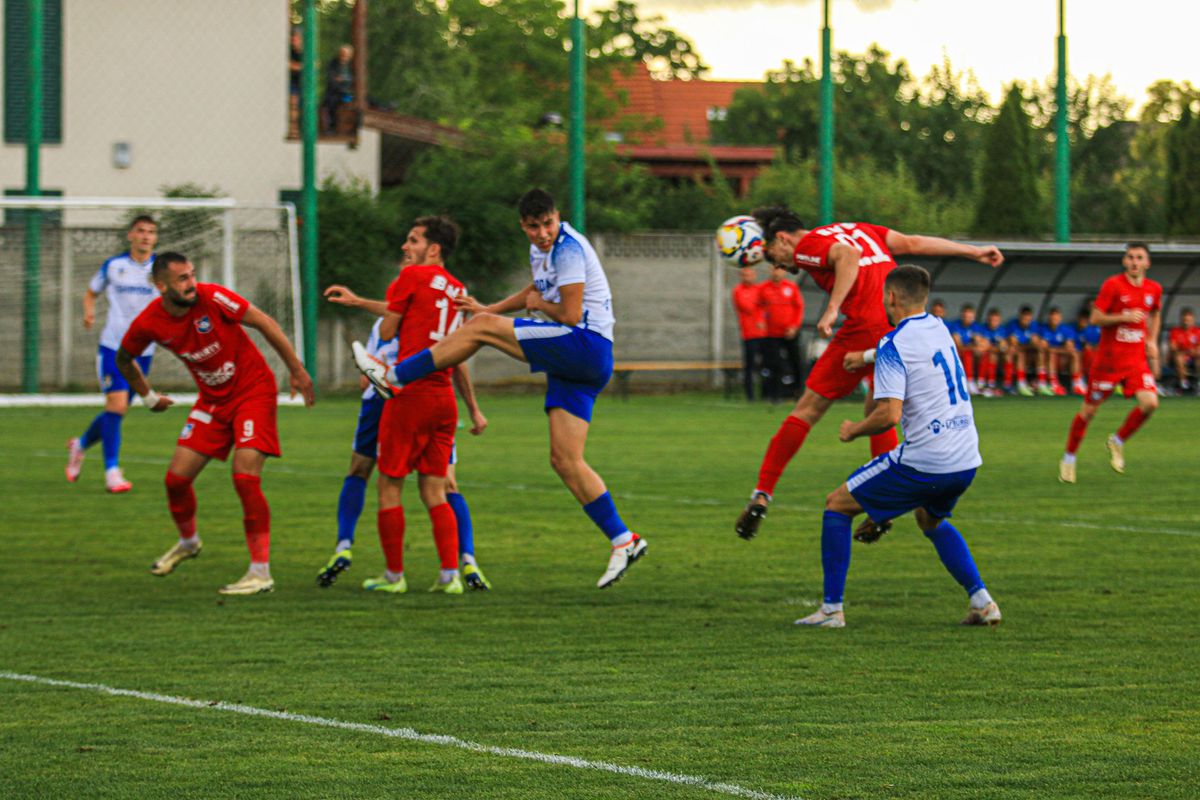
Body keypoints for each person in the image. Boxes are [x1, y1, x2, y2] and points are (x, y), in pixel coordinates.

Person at [353, 189, 647, 589]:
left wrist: (532, 306)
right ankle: (623, 539)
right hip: (579, 363)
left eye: (548, 223)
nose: (543, 233)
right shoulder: (541, 251)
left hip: (584, 345)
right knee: (565, 460)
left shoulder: (568, 248)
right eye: (533, 226)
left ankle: (395, 378)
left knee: (480, 331)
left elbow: (570, 313)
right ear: (523, 225)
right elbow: (533, 291)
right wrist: (489, 309)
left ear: (557, 217)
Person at [733, 207, 1003, 540]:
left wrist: (832, 307)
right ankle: (882, 509)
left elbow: (848, 255)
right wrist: (973, 251)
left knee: (807, 409)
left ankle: (762, 493)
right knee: (877, 410)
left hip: (864, 325)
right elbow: (912, 243)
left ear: (784, 239)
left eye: (771, 254)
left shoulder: (808, 246)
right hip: (896, 324)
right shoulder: (853, 227)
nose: (775, 264)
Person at [796, 265, 1000, 629]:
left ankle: (831, 610)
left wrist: (854, 430)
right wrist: (866, 356)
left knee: (837, 505)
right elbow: (911, 349)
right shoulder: (940, 326)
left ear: (890, 297)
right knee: (929, 519)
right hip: (966, 457)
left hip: (926, 460)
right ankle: (982, 602)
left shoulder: (893, 346)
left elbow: (889, 415)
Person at [116, 252, 314, 594]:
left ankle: (260, 572)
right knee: (175, 480)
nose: (192, 283)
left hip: (253, 392)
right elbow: (123, 358)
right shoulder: (149, 321)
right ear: (161, 286)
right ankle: (189, 542)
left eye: (192, 275)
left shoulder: (213, 297)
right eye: (182, 279)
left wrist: (296, 369)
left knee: (244, 477)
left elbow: (265, 322)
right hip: (212, 402)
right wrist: (147, 397)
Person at [316, 311, 491, 591]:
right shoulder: (438, 319)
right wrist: (474, 410)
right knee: (442, 486)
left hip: (392, 401)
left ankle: (372, 561)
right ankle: (458, 566)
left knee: (376, 478)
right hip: (436, 400)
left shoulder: (396, 321)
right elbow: (457, 362)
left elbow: (370, 372)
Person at [65, 216, 160, 493]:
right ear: (131, 235)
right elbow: (91, 293)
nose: (145, 236)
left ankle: (80, 445)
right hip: (112, 347)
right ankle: (112, 473)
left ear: (155, 238)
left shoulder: (159, 270)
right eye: (140, 231)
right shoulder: (114, 266)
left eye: (151, 232)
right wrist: (89, 311)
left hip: (144, 351)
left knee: (116, 410)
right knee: (116, 407)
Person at [1059, 242, 1161, 484]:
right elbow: (1094, 318)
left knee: (1150, 403)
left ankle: (1117, 440)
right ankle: (1069, 458)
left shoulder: (1154, 289)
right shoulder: (1113, 285)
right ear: (1124, 261)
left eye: (1139, 258)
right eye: (1130, 257)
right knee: (1089, 411)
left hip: (1136, 361)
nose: (1135, 262)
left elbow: (1155, 312)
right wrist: (1123, 317)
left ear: (1147, 263)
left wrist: (1152, 340)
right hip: (1109, 363)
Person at [758, 264, 804, 401]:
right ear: (769, 270)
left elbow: (799, 308)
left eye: (779, 269)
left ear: (784, 271)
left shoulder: (791, 287)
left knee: (795, 361)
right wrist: (760, 320)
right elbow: (758, 308)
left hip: (790, 332)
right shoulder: (763, 288)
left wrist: (794, 326)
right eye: (774, 269)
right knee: (774, 363)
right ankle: (775, 394)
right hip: (772, 334)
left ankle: (798, 391)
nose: (776, 272)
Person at [731, 265, 768, 401]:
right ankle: (750, 395)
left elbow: (766, 306)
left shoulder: (759, 289)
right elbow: (748, 307)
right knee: (750, 366)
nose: (747, 277)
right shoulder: (738, 291)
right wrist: (759, 306)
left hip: (763, 333)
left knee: (766, 365)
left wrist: (761, 317)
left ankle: (766, 393)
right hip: (749, 334)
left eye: (750, 274)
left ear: (755, 275)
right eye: (744, 275)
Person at [945, 303, 987, 395]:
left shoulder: (976, 326)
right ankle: (969, 382)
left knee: (984, 353)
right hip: (957, 353)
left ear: (974, 317)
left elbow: (983, 343)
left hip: (971, 351)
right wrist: (974, 347)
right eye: (966, 316)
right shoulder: (955, 325)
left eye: (970, 316)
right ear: (962, 316)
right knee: (967, 353)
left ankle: (981, 382)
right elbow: (958, 346)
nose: (968, 318)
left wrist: (978, 345)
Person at [1039, 306, 1082, 396]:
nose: (1055, 319)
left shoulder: (1066, 329)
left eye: (1057, 316)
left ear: (1060, 318)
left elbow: (1069, 347)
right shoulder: (1043, 329)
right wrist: (1055, 350)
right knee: (1050, 354)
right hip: (1048, 362)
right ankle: (1053, 384)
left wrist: (1055, 349)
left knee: (1075, 354)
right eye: (1052, 316)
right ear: (1049, 318)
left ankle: (1076, 384)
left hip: (1063, 361)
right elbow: (1043, 347)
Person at [1004, 305, 1044, 396]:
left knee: (1040, 353)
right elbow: (1013, 343)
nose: (1026, 319)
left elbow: (1038, 343)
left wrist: (1034, 343)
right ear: (1020, 316)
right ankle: (1020, 384)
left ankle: (1042, 383)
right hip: (1017, 356)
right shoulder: (1012, 325)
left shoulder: (1035, 326)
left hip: (1030, 356)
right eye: (1024, 316)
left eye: (1028, 317)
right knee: (1017, 353)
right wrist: (1029, 345)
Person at [322, 44, 354, 134]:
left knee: (361, 98)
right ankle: (331, 128)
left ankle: (382, 107)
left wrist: (342, 80)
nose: (344, 57)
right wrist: (343, 82)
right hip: (335, 94)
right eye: (342, 54)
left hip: (347, 94)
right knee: (332, 103)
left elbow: (352, 81)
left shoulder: (351, 66)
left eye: (347, 55)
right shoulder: (332, 64)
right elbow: (332, 82)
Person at [1168, 307, 1200, 393]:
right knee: (1179, 358)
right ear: (1181, 320)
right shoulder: (1175, 331)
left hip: (1193, 357)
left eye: (1188, 320)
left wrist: (1194, 352)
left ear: (1192, 320)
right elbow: (1173, 346)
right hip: (1179, 357)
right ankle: (1183, 384)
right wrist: (1185, 352)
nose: (1186, 322)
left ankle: (1198, 383)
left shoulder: (1197, 331)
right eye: (1184, 320)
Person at [978, 308, 1008, 395]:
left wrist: (991, 347)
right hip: (982, 356)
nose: (993, 322)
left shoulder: (1002, 330)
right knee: (988, 354)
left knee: (998, 355)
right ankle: (983, 383)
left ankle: (1006, 385)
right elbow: (981, 345)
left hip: (999, 357)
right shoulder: (982, 329)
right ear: (988, 319)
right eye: (992, 320)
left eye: (996, 320)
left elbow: (1004, 347)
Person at [1074, 307, 1101, 386]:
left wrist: (1093, 346)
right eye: (1082, 319)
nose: (1083, 321)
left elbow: (1100, 343)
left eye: (1085, 320)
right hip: (1077, 353)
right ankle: (1078, 381)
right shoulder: (1072, 329)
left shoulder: (1093, 329)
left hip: (1090, 354)